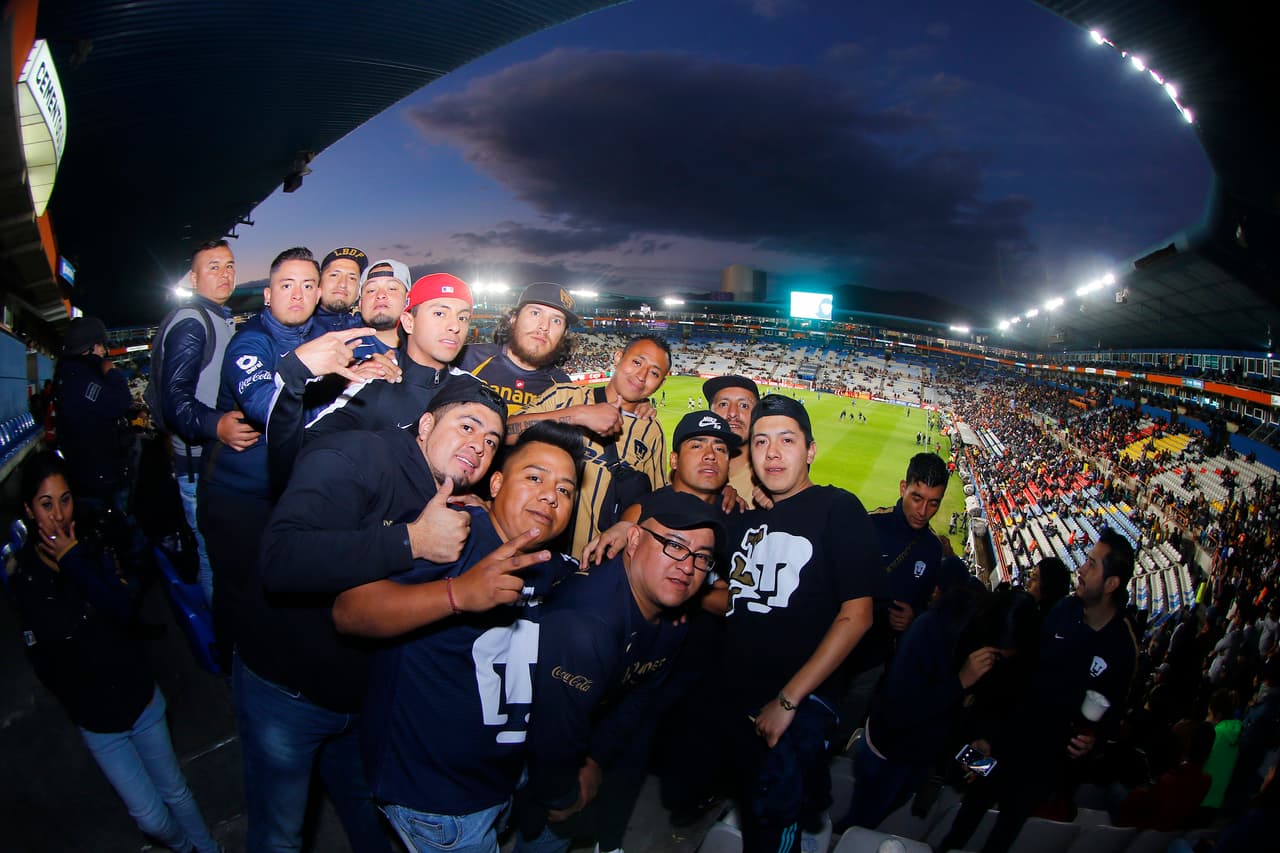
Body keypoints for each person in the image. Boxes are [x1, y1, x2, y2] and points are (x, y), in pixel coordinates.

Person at [241, 380, 511, 853]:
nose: (478, 445)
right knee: (281, 832)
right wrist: (412, 541)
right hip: (290, 692)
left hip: (366, 700)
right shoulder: (357, 455)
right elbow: (280, 559)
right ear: (426, 424)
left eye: (491, 442)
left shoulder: (450, 494)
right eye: (467, 426)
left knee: (368, 824)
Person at [326, 422, 583, 853]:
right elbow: (349, 611)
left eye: (565, 490)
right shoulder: (456, 538)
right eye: (534, 477)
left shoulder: (549, 565)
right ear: (497, 482)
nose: (549, 496)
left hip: (497, 779)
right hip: (437, 798)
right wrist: (457, 594)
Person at [9, 452, 219, 853]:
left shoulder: (91, 545)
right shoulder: (26, 577)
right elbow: (40, 657)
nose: (57, 515)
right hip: (98, 721)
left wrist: (74, 563)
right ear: (28, 510)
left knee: (175, 791)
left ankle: (209, 849)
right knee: (150, 817)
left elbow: (122, 609)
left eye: (65, 499)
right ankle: (184, 848)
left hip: (138, 697)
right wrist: (76, 699)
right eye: (46, 504)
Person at [515, 490, 726, 853]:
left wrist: (596, 759)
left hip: (573, 739)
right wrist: (563, 798)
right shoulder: (587, 628)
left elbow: (639, 693)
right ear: (633, 539)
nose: (688, 566)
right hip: (511, 749)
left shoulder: (673, 616)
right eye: (674, 545)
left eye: (701, 557)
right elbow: (552, 736)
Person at [718, 394, 882, 853]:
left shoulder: (838, 508)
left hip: (796, 708)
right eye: (760, 441)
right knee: (756, 816)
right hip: (740, 705)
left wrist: (788, 701)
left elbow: (858, 615)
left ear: (810, 450)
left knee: (774, 828)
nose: (772, 453)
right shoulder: (746, 522)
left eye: (786, 440)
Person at [938, 529, 1139, 853]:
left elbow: (1115, 715)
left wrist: (1095, 739)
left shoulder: (1122, 648)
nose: (1082, 569)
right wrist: (986, 730)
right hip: (1003, 734)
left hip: (1042, 764)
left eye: (1091, 563)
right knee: (969, 806)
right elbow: (1017, 677)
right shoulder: (1063, 610)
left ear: (1112, 583)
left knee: (1005, 830)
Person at [198, 247, 325, 669]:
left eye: (308, 285)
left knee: (288, 593)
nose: (297, 294)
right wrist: (308, 370)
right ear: (268, 295)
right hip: (239, 498)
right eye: (287, 285)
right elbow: (268, 408)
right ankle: (234, 679)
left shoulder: (321, 337)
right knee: (241, 594)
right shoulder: (250, 342)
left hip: (292, 495)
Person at [265, 272, 473, 489]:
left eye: (463, 317)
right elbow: (292, 461)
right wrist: (294, 374)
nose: (454, 326)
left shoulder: (473, 391)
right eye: (440, 313)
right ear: (409, 322)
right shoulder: (372, 385)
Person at [151, 238, 258, 605]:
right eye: (213, 267)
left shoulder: (217, 318)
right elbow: (174, 402)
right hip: (198, 466)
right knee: (216, 559)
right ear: (193, 279)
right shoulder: (192, 322)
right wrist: (217, 425)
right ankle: (223, 647)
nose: (225, 273)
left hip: (214, 463)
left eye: (229, 265)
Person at [507, 334, 672, 555]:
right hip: (528, 551)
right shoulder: (565, 397)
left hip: (594, 564)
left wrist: (626, 526)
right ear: (618, 357)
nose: (641, 376)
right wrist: (576, 415)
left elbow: (653, 500)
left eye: (654, 373)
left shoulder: (651, 431)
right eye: (636, 362)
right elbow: (506, 432)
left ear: (661, 382)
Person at [842, 452, 949, 738]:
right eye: (917, 497)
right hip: (839, 644)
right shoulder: (869, 525)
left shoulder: (932, 550)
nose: (923, 510)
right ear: (903, 488)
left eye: (933, 503)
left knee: (846, 725)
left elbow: (926, 608)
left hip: (876, 659)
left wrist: (913, 618)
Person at [52, 316, 136, 514]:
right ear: (88, 348)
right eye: (100, 346)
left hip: (90, 474)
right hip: (99, 479)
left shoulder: (70, 375)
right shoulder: (82, 380)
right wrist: (112, 373)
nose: (104, 352)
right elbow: (120, 403)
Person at [459, 282, 578, 414]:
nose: (544, 326)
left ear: (563, 334)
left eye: (557, 321)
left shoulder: (563, 387)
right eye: (535, 313)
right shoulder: (464, 360)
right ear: (513, 319)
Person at [703, 375, 762, 507]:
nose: (733, 413)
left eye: (744, 405)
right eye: (723, 404)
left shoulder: (771, 480)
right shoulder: (687, 472)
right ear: (710, 414)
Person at [355, 258, 412, 355]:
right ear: (360, 304)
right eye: (371, 290)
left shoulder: (428, 346)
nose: (380, 295)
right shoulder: (342, 346)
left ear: (408, 299)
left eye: (392, 288)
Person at [314, 247, 369, 332]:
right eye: (334, 275)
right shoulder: (295, 328)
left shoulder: (368, 330)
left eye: (352, 278)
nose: (343, 284)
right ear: (319, 281)